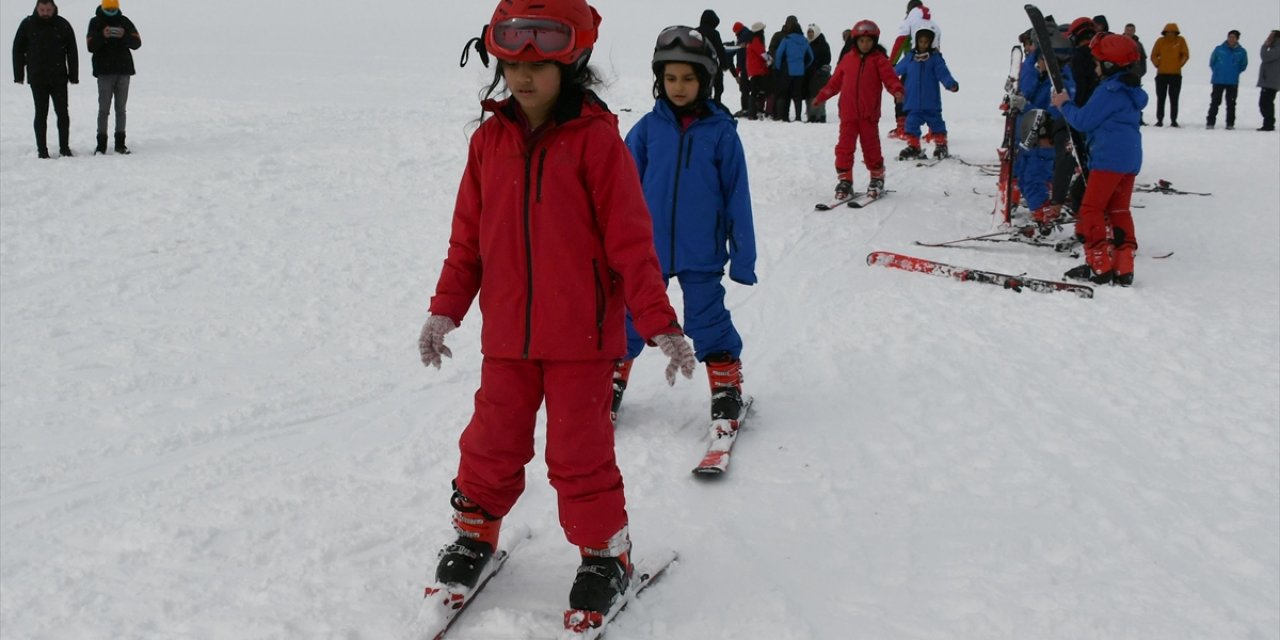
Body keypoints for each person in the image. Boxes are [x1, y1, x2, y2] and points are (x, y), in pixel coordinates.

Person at [419, 0, 698, 619]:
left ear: (572, 63)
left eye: (541, 64)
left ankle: (606, 555)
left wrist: (659, 323)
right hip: (509, 341)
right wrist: (445, 311)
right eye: (512, 61)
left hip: (583, 341)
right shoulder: (489, 142)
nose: (523, 76)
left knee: (579, 453)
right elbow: (468, 240)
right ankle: (475, 536)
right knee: (490, 443)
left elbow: (632, 244)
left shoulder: (597, 144)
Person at [616, 25, 757, 431]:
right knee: (629, 315)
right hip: (646, 251)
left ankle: (726, 387)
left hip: (702, 251)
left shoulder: (721, 134)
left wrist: (742, 257)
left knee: (708, 319)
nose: (679, 86)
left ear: (705, 82)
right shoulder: (645, 130)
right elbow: (620, 193)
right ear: (659, 80)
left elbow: (737, 196)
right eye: (671, 78)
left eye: (689, 78)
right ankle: (611, 379)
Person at [1052, 33, 1148, 286]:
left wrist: (1064, 104)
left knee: (1091, 208)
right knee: (1119, 209)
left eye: (1098, 62)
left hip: (1109, 159)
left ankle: (1099, 265)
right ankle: (1124, 266)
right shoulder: (1131, 90)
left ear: (1109, 65)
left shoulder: (1109, 90)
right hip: (1130, 158)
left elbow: (1083, 121)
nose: (1094, 67)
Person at [813, 20, 904, 200]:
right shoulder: (848, 60)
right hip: (848, 114)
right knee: (844, 148)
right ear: (855, 41)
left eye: (868, 41)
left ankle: (877, 176)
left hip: (868, 115)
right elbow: (835, 83)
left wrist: (897, 90)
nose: (865, 45)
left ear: (874, 41)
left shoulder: (879, 60)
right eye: (861, 41)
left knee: (871, 147)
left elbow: (890, 78)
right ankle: (845, 179)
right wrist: (822, 96)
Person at [1018, 31, 1077, 224]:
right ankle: (1040, 212)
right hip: (1033, 139)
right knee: (1026, 178)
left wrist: (1024, 106)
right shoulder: (1046, 80)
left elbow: (1050, 115)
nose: (1038, 63)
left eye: (1041, 59)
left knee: (1034, 179)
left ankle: (1044, 216)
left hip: (1044, 141)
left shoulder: (1059, 85)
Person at [11, 0, 77, 159]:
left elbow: (72, 51)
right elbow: (17, 50)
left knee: (62, 113)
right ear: (37, 8)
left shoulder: (62, 24)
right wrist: (19, 75)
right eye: (42, 9)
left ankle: (64, 148)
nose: (45, 13)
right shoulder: (27, 24)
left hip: (59, 77)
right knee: (41, 113)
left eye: (48, 9)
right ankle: (42, 150)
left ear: (54, 8)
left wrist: (73, 75)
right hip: (37, 77)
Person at [894, 24, 958, 160]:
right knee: (910, 123)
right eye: (920, 41)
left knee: (936, 123)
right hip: (913, 101)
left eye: (926, 42)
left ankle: (941, 145)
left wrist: (950, 84)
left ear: (931, 43)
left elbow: (943, 73)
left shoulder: (935, 59)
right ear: (916, 42)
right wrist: (882, 75)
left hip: (931, 101)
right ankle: (914, 146)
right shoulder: (910, 58)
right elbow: (895, 71)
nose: (923, 45)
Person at [86, 0, 141, 155]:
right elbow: (90, 46)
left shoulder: (124, 21)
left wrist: (124, 36)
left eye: (113, 8)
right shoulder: (95, 22)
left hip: (124, 71)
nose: (111, 11)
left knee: (121, 109)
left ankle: (120, 144)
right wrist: (103, 36)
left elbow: (137, 43)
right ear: (103, 7)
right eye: (108, 8)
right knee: (104, 109)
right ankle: (101, 145)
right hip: (104, 72)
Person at [889, 0, 940, 139]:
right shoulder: (932, 26)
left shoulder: (909, 23)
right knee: (931, 98)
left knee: (901, 95)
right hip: (930, 67)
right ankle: (934, 131)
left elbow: (899, 43)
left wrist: (891, 64)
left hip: (910, 66)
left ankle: (902, 127)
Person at [773, 19, 814, 122]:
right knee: (797, 95)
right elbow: (811, 57)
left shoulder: (786, 39)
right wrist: (804, 66)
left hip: (787, 70)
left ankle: (783, 116)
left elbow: (778, 54)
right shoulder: (804, 40)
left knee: (784, 94)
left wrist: (778, 67)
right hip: (800, 71)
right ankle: (798, 117)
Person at [1207, 30, 1249, 129]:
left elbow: (1243, 65)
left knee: (1231, 103)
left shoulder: (1241, 52)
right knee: (1215, 102)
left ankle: (1230, 124)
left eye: (1233, 37)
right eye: (1230, 37)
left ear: (1237, 39)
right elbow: (1212, 62)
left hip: (1232, 82)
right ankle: (1210, 123)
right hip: (1218, 80)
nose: (1231, 39)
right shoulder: (1219, 49)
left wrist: (1235, 72)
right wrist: (1217, 71)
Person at [1150, 23, 1188, 127]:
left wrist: (1179, 65)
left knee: (1174, 98)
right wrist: (1157, 64)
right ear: (1165, 32)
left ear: (1176, 32)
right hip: (1162, 74)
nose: (1170, 34)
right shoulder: (1160, 41)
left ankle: (1173, 120)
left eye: (1172, 32)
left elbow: (1185, 54)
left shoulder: (1180, 41)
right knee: (1161, 98)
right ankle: (1160, 119)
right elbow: (1153, 55)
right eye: (1168, 32)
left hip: (1175, 75)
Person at [696, 10, 730, 104]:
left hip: (696, 65)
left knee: (701, 88)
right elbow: (720, 50)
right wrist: (725, 65)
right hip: (711, 65)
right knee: (718, 88)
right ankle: (715, 105)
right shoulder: (714, 33)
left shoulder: (695, 32)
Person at [804, 24, 832, 123]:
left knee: (819, 94)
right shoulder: (807, 43)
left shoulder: (823, 44)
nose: (810, 34)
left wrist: (820, 68)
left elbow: (827, 58)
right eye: (808, 32)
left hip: (819, 74)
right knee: (810, 94)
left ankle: (820, 116)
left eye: (812, 32)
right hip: (809, 73)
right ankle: (811, 116)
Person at [1123, 23, 1149, 124]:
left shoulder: (1138, 44)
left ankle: (1138, 118)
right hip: (1123, 75)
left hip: (1135, 75)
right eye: (1127, 30)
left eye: (1131, 30)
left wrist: (1141, 72)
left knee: (1136, 96)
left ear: (1134, 31)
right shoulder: (1119, 42)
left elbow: (1143, 59)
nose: (1129, 32)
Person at [744, 22, 769, 120]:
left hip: (753, 70)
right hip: (758, 70)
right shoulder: (756, 41)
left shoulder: (751, 41)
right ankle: (755, 112)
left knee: (754, 92)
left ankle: (753, 112)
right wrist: (770, 60)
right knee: (757, 92)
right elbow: (762, 54)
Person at [1260, 30, 1280, 131]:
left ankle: (1269, 124)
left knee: (1265, 103)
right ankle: (1268, 123)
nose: (1268, 38)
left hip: (1271, 82)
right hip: (1269, 81)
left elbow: (1265, 56)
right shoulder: (1274, 48)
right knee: (1265, 103)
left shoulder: (1277, 48)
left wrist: (1264, 46)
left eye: (1270, 36)